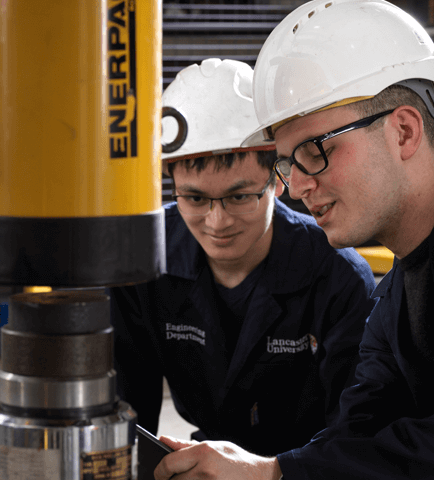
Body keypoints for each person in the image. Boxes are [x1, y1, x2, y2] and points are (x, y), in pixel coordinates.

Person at [153, 1, 434, 479]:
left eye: (316, 150)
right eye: (288, 164)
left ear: (404, 131)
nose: (296, 187)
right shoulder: (397, 296)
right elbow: (359, 436)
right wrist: (270, 469)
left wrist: (273, 474)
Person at [109, 58, 376, 459]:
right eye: (195, 198)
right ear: (171, 184)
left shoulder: (338, 277)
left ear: (278, 180)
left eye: (239, 197)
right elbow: (126, 419)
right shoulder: (142, 262)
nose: (217, 222)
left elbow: (357, 439)